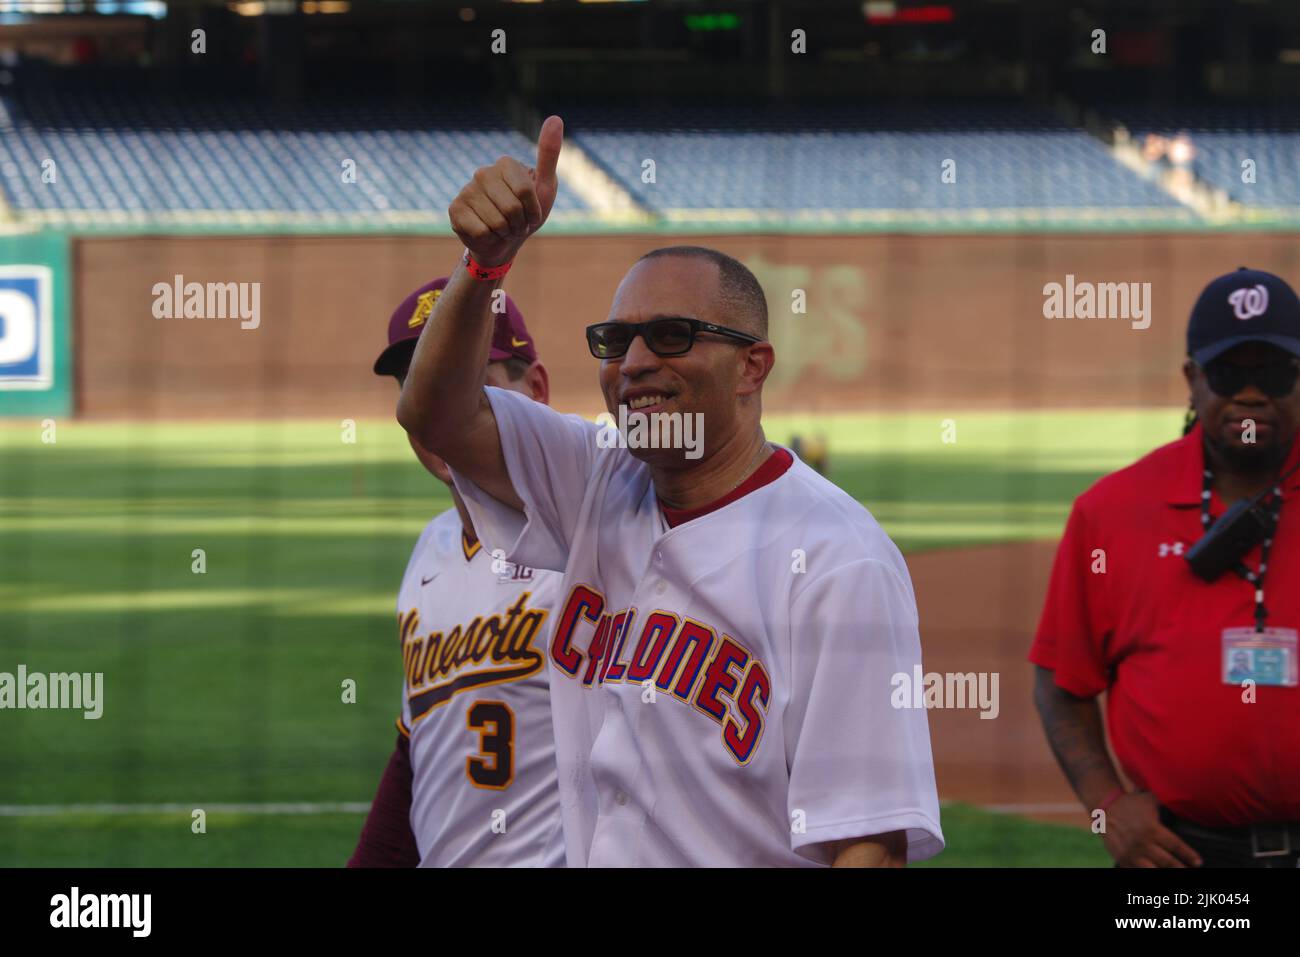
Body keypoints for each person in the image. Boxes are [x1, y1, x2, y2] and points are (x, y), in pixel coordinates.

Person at [395, 116, 943, 868]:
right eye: (616, 342)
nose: (637, 363)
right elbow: (437, 417)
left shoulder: (838, 561)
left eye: (673, 335)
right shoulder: (597, 476)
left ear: (753, 367)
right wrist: (485, 267)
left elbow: (867, 842)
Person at [1031, 267, 1300, 868]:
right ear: (1192, 380)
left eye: (1275, 373)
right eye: (1229, 373)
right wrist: (1106, 806)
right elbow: (1059, 682)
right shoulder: (1113, 511)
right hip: (1181, 860)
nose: (1251, 395)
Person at [349, 277, 565, 867]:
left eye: (469, 385)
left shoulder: (598, 540)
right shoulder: (432, 549)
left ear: (537, 389)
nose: (441, 415)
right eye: (423, 390)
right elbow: (418, 748)